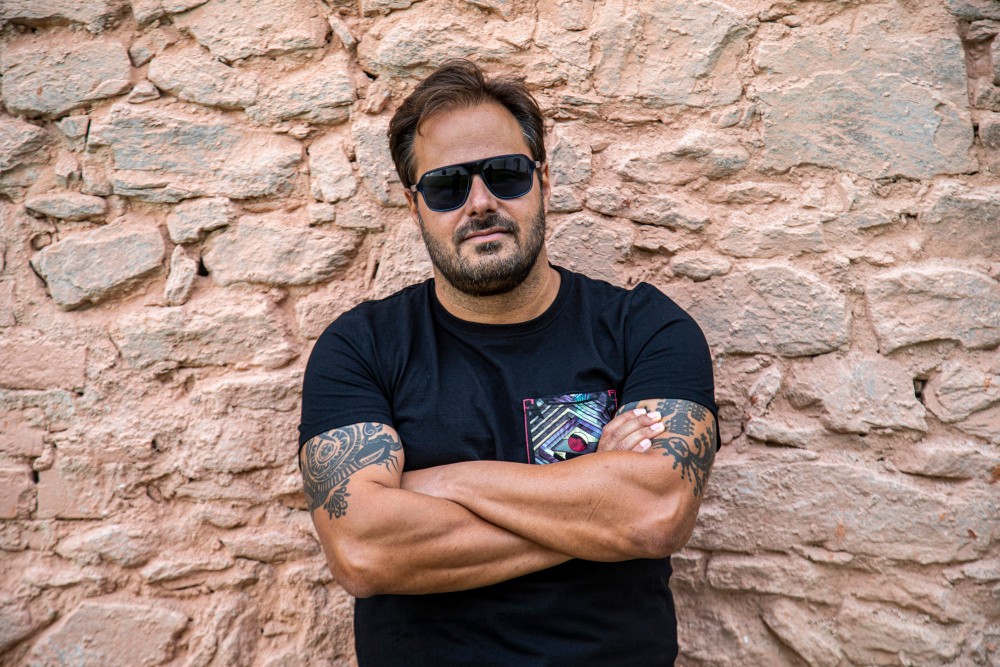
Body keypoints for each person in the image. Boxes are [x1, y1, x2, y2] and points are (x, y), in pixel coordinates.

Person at [298, 58, 718, 666]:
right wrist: (595, 499)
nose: (480, 203)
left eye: (505, 175)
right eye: (447, 187)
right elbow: (364, 551)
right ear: (414, 205)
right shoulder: (360, 348)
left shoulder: (645, 330)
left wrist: (442, 482)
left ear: (543, 181)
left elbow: (653, 514)